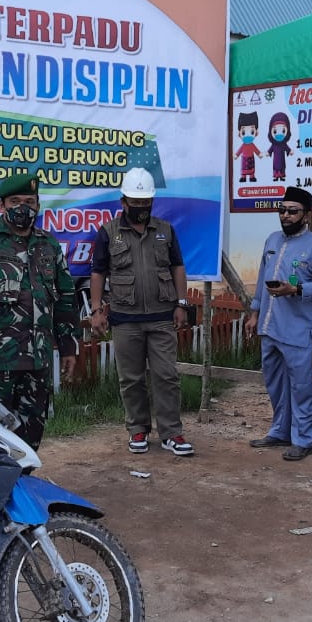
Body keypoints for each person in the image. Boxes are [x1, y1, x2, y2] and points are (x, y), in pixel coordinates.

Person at [0, 172, 79, 451]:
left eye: (29, 201)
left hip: (38, 363)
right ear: (1, 206)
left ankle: (21, 489)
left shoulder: (49, 245)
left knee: (30, 440)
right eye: (15, 201)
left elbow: (65, 298)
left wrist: (69, 347)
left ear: (38, 205)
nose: (23, 207)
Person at [89, 168, 195, 456]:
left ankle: (172, 433)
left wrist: (182, 304)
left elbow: (177, 267)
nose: (141, 208)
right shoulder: (108, 233)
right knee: (131, 378)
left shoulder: (165, 230)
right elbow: (98, 272)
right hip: (125, 320)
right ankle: (138, 429)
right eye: (135, 203)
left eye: (145, 202)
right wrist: (96, 310)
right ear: (123, 202)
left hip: (162, 317)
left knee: (166, 376)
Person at [244, 187, 312, 461]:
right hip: (269, 327)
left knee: (300, 386)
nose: (285, 215)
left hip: (296, 328)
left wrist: (295, 290)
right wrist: (255, 313)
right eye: (282, 210)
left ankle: (303, 439)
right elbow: (262, 279)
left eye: (292, 211)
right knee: (274, 383)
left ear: (307, 214)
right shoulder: (272, 240)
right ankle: (280, 431)